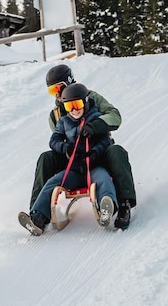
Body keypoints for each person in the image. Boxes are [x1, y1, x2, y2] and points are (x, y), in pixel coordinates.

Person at [30, 64, 137, 230]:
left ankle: (123, 205)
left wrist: (95, 126)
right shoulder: (56, 115)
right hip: (74, 159)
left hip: (98, 153)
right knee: (46, 157)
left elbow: (115, 117)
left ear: (70, 82)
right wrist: (65, 149)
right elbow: (57, 138)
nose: (57, 94)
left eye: (59, 87)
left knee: (116, 152)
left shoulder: (90, 97)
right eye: (53, 91)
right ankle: (37, 214)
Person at [19, 83, 119, 235]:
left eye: (77, 104)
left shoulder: (95, 118)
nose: (74, 110)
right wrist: (65, 148)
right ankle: (38, 217)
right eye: (68, 106)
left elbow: (106, 140)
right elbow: (54, 140)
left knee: (104, 180)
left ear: (85, 102)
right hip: (74, 170)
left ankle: (107, 208)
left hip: (94, 167)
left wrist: (95, 151)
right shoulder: (64, 122)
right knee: (52, 183)